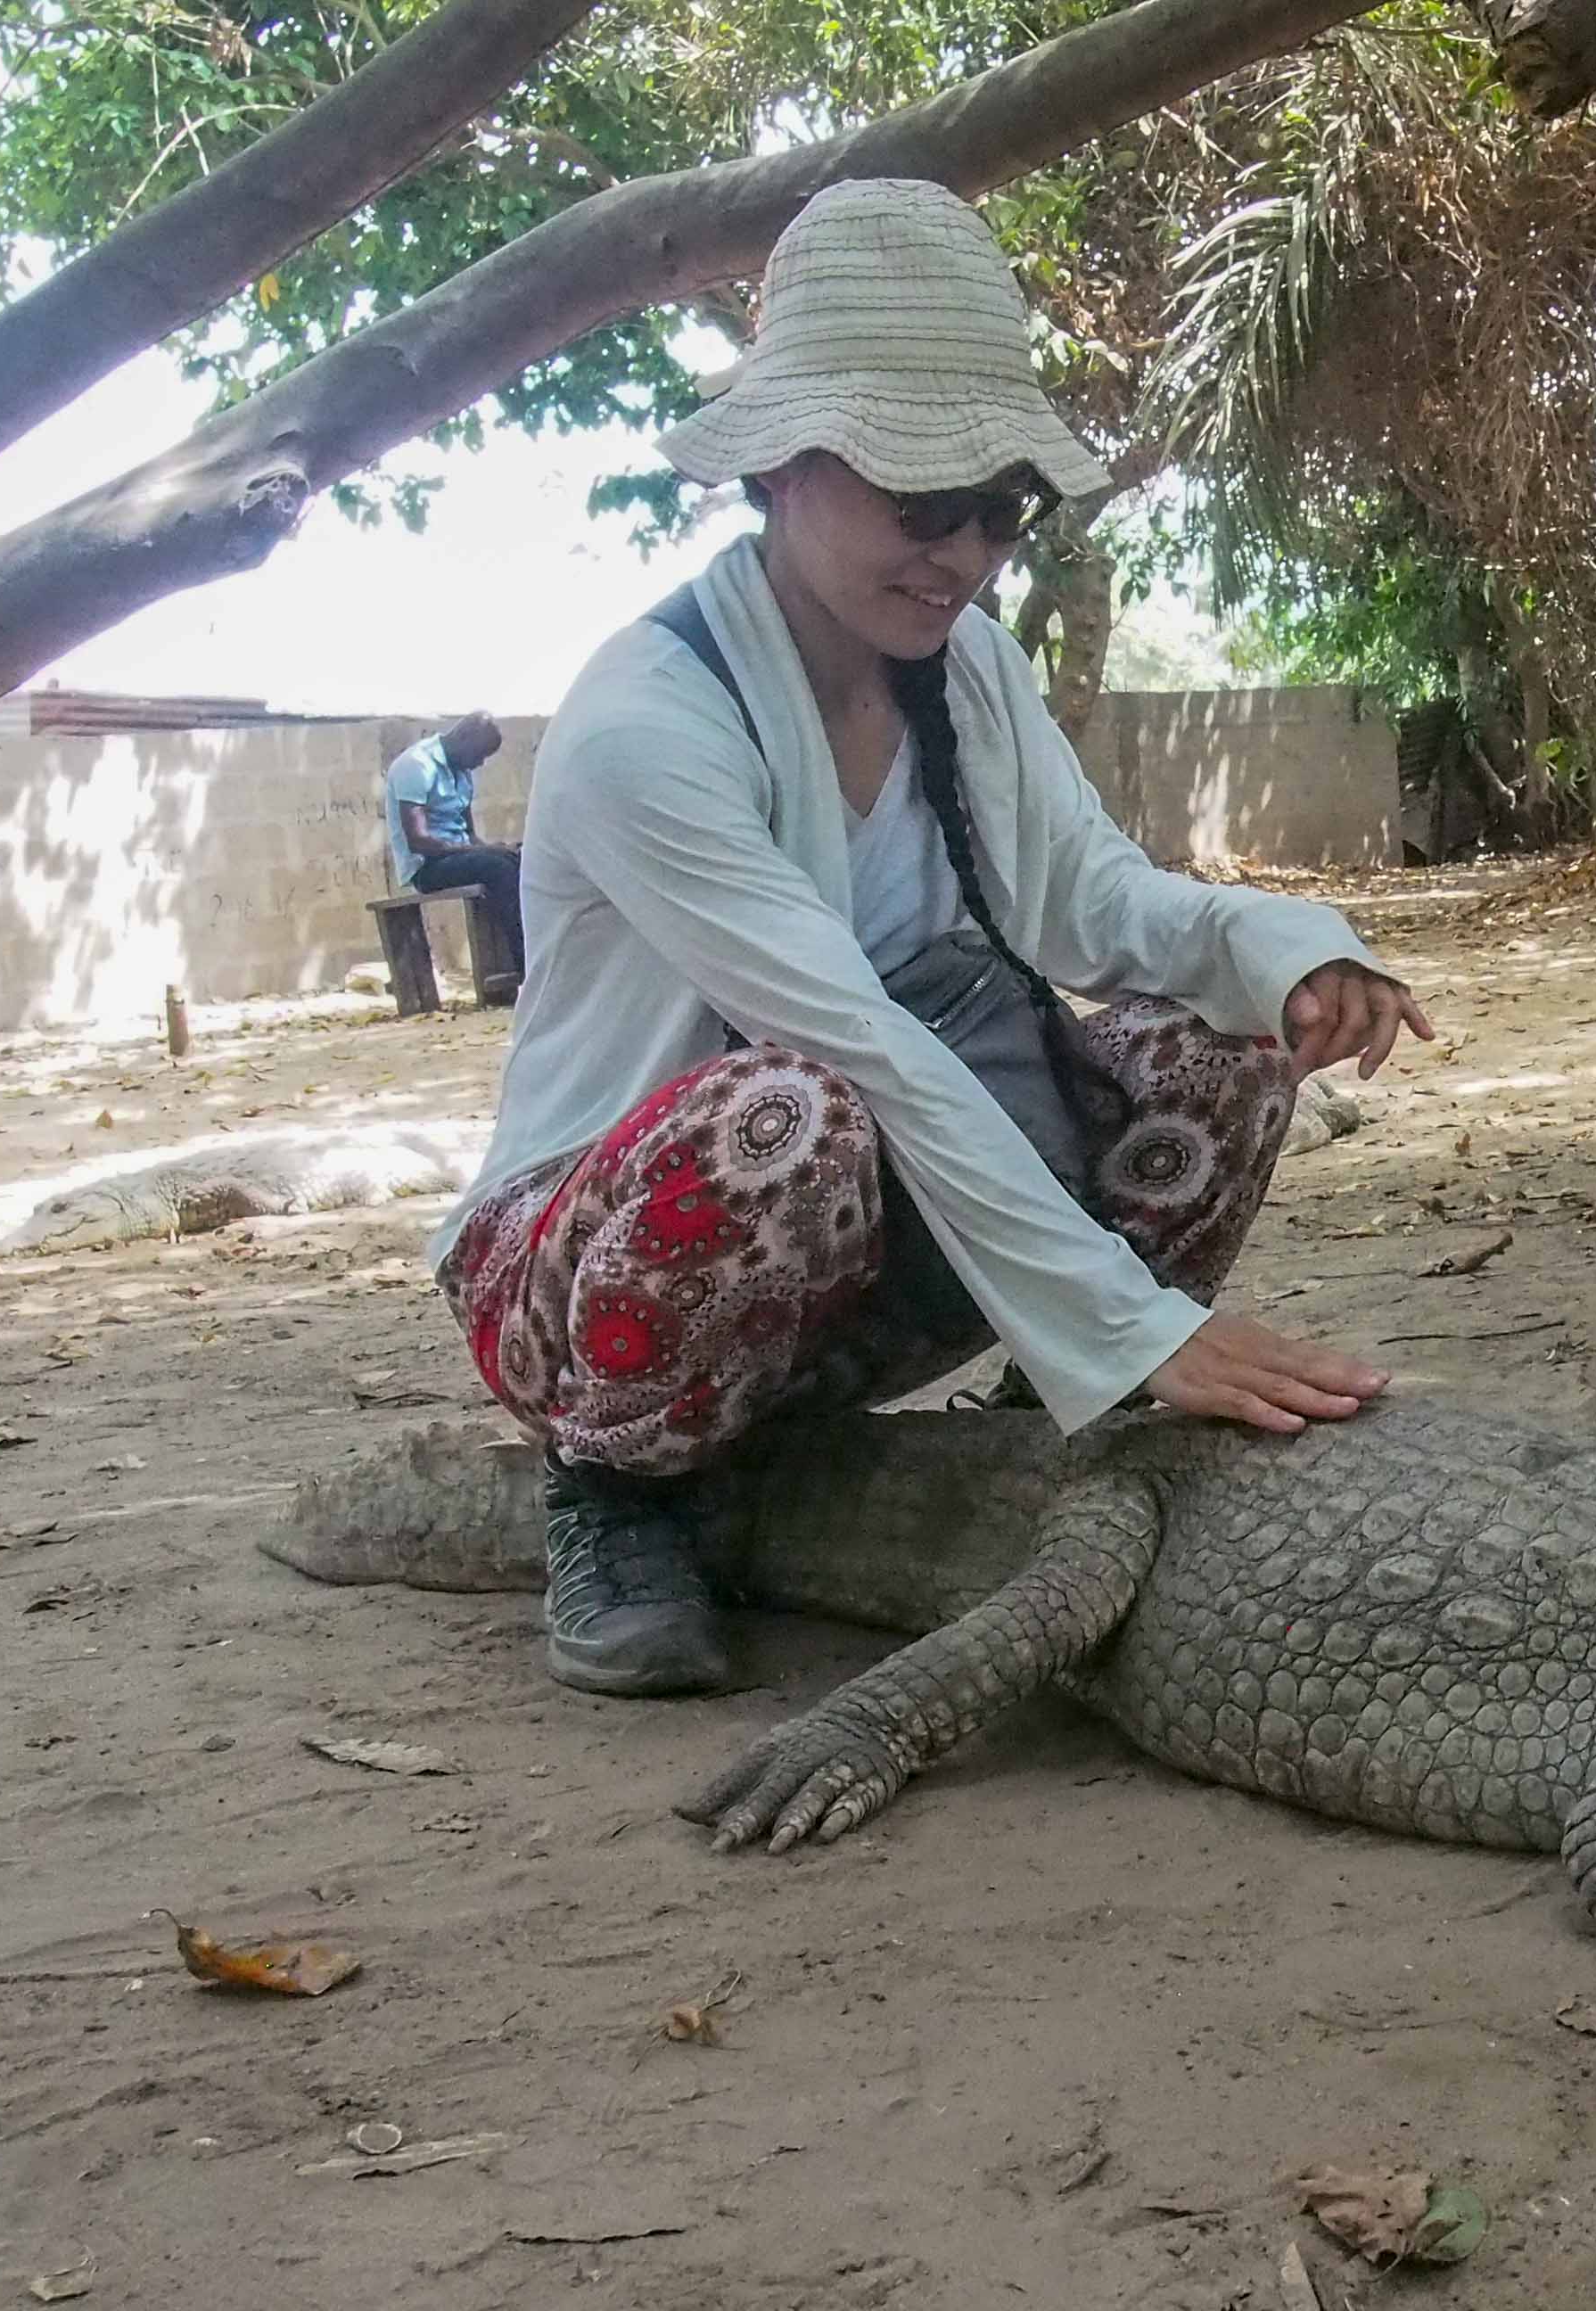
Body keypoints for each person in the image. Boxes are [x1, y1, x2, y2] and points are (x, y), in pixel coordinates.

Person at [430, 178, 1436, 1700]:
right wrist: (1138, 1322)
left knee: (1220, 1048)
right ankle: (620, 1501)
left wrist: (1295, 949)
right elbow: (855, 1039)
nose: (959, 552)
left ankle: (1044, 1438)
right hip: (600, 1284)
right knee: (792, 1114)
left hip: (857, 1252)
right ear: (780, 464)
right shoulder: (650, 722)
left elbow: (1101, 908)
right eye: (919, 501)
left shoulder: (961, 669)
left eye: (995, 508)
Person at [385, 711, 523, 996]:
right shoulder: (416, 766)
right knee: (498, 868)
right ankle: (526, 964)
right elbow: (419, 841)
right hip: (427, 866)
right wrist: (484, 852)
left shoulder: (461, 771)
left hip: (459, 856)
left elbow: (469, 834)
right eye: (479, 755)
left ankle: (522, 959)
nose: (480, 763)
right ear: (463, 739)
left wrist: (496, 848)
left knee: (518, 859)